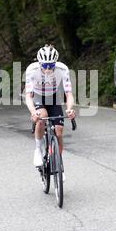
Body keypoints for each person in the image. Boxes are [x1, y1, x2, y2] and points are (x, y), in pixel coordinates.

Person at [25, 44, 76, 179]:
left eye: (51, 66)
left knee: (59, 130)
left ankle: (59, 165)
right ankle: (38, 149)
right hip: (37, 96)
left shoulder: (62, 69)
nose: (48, 69)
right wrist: (32, 112)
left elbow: (69, 94)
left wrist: (70, 109)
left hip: (53, 97)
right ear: (40, 63)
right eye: (45, 66)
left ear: (55, 63)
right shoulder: (32, 70)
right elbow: (28, 96)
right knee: (42, 117)